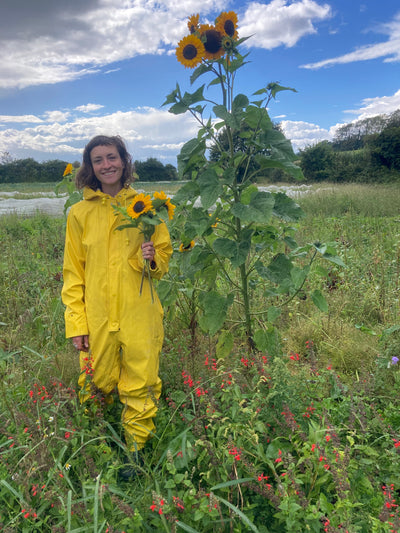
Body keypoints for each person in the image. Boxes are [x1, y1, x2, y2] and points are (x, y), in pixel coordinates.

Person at [61, 135, 173, 480]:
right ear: (89, 167)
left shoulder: (148, 209)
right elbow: (72, 273)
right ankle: (100, 442)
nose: (106, 165)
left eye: (112, 157)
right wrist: (76, 323)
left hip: (140, 311)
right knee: (95, 378)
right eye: (98, 160)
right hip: (96, 315)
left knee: (141, 378)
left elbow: (164, 258)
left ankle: (135, 453)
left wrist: (152, 259)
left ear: (124, 161)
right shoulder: (78, 213)